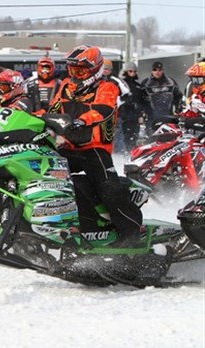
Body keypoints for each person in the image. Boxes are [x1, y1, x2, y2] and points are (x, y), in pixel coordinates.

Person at [48, 45, 143, 246]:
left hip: (95, 150)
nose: (75, 74)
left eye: (81, 69)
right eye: (73, 69)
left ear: (94, 69)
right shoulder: (66, 85)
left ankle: (131, 233)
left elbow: (104, 108)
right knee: (44, 173)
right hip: (69, 148)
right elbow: (52, 110)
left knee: (110, 188)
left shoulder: (107, 87)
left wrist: (83, 120)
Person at [141, 61, 183, 135]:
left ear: (163, 70)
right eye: (155, 70)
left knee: (169, 138)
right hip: (152, 118)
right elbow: (140, 100)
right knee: (152, 139)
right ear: (152, 71)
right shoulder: (145, 83)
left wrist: (177, 109)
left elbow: (179, 96)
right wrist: (142, 114)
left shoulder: (171, 82)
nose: (157, 72)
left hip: (168, 117)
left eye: (159, 70)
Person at [100, 59, 132, 154]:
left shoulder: (116, 81)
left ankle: (119, 154)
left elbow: (127, 95)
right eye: (104, 69)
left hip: (115, 114)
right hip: (98, 115)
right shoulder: (96, 81)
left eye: (107, 69)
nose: (105, 71)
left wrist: (117, 104)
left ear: (111, 70)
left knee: (117, 135)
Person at [118, 62, 147, 152]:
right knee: (123, 136)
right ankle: (123, 152)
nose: (132, 73)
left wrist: (141, 114)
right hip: (123, 114)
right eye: (130, 71)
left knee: (134, 136)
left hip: (135, 115)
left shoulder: (138, 86)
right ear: (126, 72)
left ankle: (130, 152)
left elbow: (142, 101)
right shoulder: (120, 85)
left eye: (134, 71)